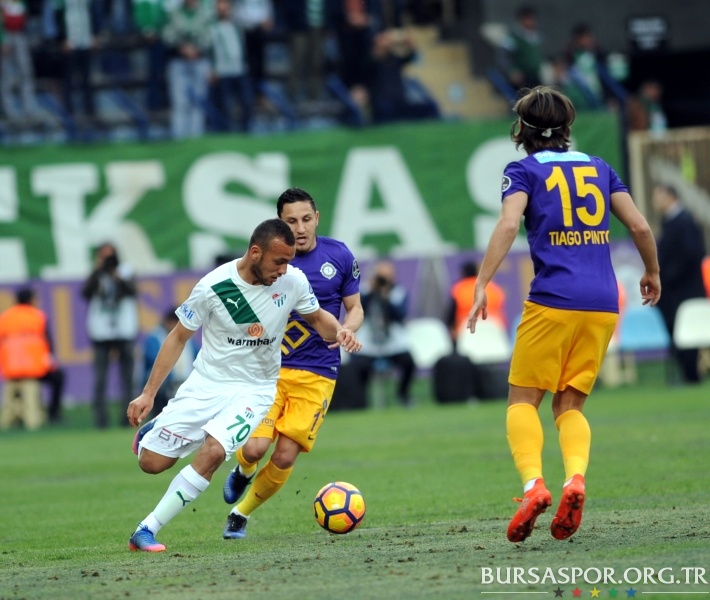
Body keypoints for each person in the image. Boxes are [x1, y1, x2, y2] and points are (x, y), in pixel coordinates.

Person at [466, 86, 661, 544]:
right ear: (567, 128)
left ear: (521, 129)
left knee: (522, 401)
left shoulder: (522, 170)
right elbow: (639, 225)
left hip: (554, 298)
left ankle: (534, 486)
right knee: (569, 405)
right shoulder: (600, 167)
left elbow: (509, 223)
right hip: (603, 302)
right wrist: (652, 271)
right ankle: (575, 478)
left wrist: (481, 283)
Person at [126, 218, 361, 552]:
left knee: (214, 452)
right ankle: (158, 429)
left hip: (256, 389)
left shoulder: (293, 281)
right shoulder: (213, 286)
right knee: (152, 464)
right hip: (207, 384)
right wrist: (148, 394)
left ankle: (146, 529)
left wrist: (339, 331)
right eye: (278, 261)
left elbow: (316, 317)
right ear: (255, 253)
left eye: (288, 262)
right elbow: (177, 338)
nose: (284, 269)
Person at [221, 187, 363, 539]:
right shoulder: (268, 260)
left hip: (318, 373)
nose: (300, 228)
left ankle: (240, 514)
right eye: (291, 221)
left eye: (305, 219)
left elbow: (356, 308)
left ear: (317, 218)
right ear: (279, 223)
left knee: (284, 456)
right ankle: (243, 470)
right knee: (254, 447)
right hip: (269, 370)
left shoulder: (339, 255)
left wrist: (347, 329)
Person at [651, 183, 706, 384]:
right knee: (676, 333)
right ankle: (688, 375)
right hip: (673, 293)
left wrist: (668, 276)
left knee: (686, 333)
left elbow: (692, 254)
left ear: (669, 196)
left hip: (684, 292)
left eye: (658, 196)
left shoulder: (684, 221)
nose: (654, 202)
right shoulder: (670, 222)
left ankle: (691, 376)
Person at [81, 243, 139, 428]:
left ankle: (128, 418)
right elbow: (85, 293)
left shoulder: (125, 271)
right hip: (101, 331)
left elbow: (133, 291)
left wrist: (117, 276)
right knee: (100, 378)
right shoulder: (96, 274)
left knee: (128, 377)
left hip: (124, 329)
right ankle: (101, 420)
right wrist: (97, 271)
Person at [348, 260, 415, 407]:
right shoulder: (364, 291)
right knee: (356, 365)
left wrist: (385, 297)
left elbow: (400, 315)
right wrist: (373, 291)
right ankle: (360, 400)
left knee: (409, 362)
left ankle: (403, 394)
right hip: (368, 344)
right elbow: (358, 310)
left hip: (393, 344)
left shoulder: (398, 292)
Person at [0, 287, 65, 426]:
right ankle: (53, 414)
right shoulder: (37, 316)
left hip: (10, 370)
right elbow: (49, 345)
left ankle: (17, 415)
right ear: (31, 300)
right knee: (59, 376)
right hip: (34, 370)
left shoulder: (5, 317)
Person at [162, 0, 212, 138]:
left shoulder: (205, 13)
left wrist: (197, 49)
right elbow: (167, 35)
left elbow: (210, 36)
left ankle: (196, 137)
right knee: (180, 102)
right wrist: (181, 47)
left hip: (199, 60)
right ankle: (179, 137)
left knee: (199, 101)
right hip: (178, 60)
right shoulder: (174, 13)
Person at [140, 307, 199, 423]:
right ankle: (158, 414)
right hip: (167, 382)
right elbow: (152, 359)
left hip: (187, 381)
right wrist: (170, 377)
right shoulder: (155, 338)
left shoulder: (190, 340)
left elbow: (199, 357)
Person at [209, 0, 254, 132]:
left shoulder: (237, 26)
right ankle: (227, 131)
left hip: (240, 69)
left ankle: (246, 130)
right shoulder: (213, 27)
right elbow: (210, 50)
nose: (224, 10)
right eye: (220, 7)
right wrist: (213, 69)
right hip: (223, 71)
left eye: (226, 7)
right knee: (226, 104)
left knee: (247, 100)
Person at [446, 260, 506, 339]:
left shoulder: (458, 290)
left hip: (467, 332)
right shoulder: (493, 287)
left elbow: (451, 316)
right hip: (495, 331)